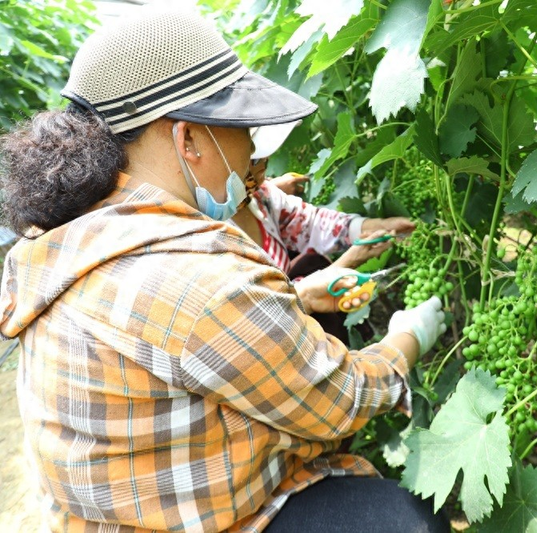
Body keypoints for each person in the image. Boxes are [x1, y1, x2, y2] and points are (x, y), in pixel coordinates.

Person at [0, 9, 448, 533]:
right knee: (402, 522)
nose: (253, 149)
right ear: (188, 140)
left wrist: (296, 299)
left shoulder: (65, 238)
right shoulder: (203, 279)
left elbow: (163, 343)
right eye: (242, 129)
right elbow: (341, 398)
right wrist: (407, 339)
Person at [230, 159, 415, 343]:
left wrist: (371, 227)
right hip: (275, 344)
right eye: (252, 157)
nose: (263, 159)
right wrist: (344, 263)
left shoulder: (257, 195)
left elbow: (309, 223)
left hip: (296, 316)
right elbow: (262, 316)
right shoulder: (211, 242)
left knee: (311, 262)